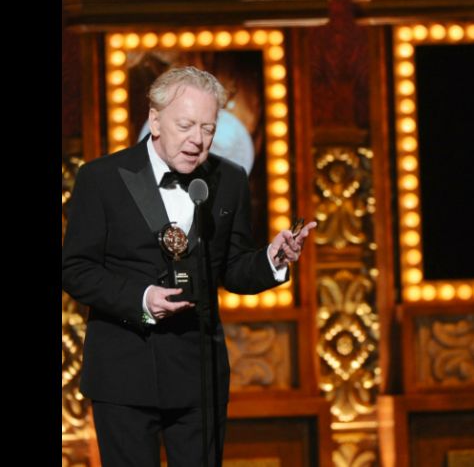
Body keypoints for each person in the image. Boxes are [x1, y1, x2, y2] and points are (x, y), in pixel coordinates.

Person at [62, 66, 316, 466]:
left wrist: (271, 259)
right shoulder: (102, 178)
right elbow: (75, 268)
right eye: (186, 125)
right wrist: (141, 299)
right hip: (124, 373)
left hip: (200, 375)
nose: (198, 141)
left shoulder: (228, 179)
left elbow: (232, 268)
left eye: (209, 128)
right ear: (155, 120)